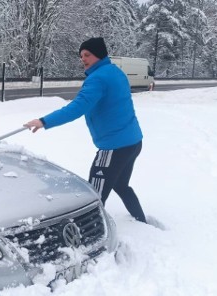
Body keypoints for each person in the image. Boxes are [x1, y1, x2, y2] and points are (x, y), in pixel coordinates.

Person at [23, 37, 147, 223]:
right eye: (81, 55)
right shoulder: (115, 71)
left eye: (87, 55)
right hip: (133, 142)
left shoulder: (98, 79)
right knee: (121, 185)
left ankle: (91, 236)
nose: (83, 59)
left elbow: (77, 108)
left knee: (93, 195)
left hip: (114, 147)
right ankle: (141, 221)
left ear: (99, 54)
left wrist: (43, 121)